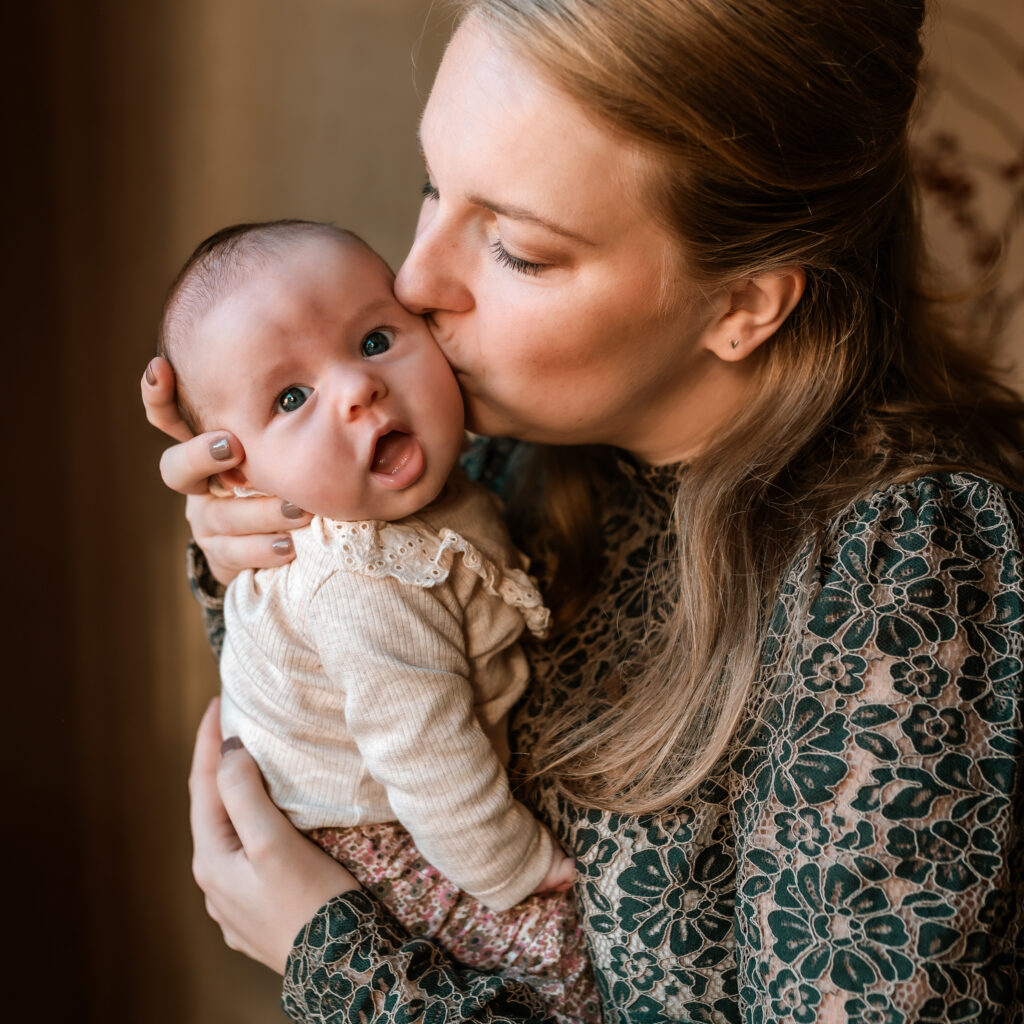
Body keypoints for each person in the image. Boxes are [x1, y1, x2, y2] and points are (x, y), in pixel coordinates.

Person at [143, 0, 1024, 1020]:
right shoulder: (496, 446)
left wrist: (336, 962)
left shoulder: (907, 574)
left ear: (743, 303)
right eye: (432, 187)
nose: (414, 281)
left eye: (516, 247)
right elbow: (356, 715)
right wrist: (267, 530)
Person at [156, 218, 596, 1022]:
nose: (358, 389)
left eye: (373, 341)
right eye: (291, 398)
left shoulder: (435, 485)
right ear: (238, 475)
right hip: (375, 837)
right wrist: (517, 868)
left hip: (396, 801)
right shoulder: (365, 577)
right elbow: (425, 754)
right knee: (560, 970)